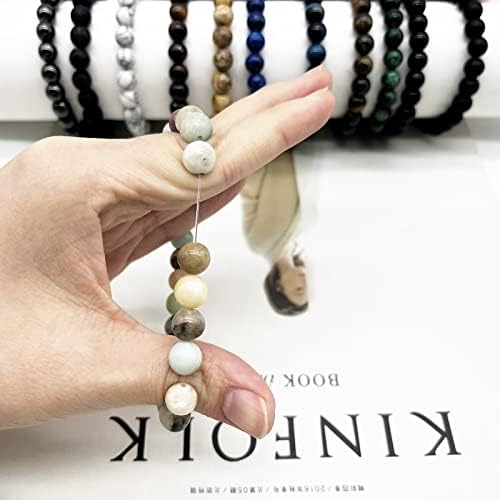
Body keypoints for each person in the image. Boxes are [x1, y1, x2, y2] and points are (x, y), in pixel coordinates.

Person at [0, 67, 334, 438]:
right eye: (303, 289)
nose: (303, 280)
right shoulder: (272, 237)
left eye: (297, 290)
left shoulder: (271, 239)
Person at [241, 151, 309, 315]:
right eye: (306, 289)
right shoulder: (292, 242)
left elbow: (252, 186)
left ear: (279, 287)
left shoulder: (262, 244)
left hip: (273, 148)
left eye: (299, 289)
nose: (305, 283)